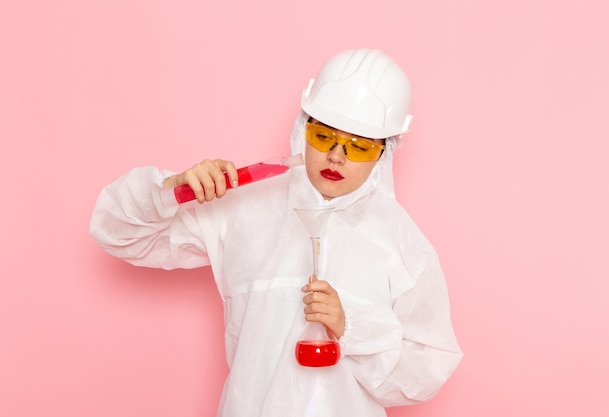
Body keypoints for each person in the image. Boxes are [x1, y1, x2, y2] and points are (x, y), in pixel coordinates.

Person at [90, 48, 462, 417]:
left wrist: (352, 327)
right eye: (323, 135)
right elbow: (117, 233)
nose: (336, 155)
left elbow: (428, 367)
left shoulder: (400, 242)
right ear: (304, 126)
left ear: (385, 152)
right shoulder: (242, 206)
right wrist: (173, 188)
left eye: (359, 145)